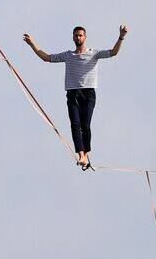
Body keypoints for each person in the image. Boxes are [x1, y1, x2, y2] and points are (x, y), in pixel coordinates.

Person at [22, 24, 128, 170]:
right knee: (75, 125)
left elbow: (113, 52)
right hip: (72, 93)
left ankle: (86, 153)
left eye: (81, 35)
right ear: (73, 38)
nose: (78, 37)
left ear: (85, 37)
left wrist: (121, 37)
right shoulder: (68, 55)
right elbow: (46, 57)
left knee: (85, 125)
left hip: (88, 93)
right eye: (76, 35)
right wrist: (32, 44)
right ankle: (81, 155)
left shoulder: (94, 53)